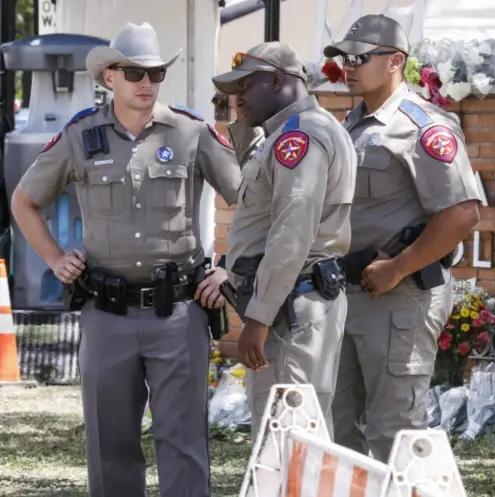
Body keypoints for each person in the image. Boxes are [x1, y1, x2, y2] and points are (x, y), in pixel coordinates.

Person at [10, 22, 241, 497]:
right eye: (134, 72)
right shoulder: (80, 135)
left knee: (183, 446)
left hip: (178, 313)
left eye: (155, 73)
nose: (147, 83)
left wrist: (229, 267)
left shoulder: (190, 131)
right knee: (109, 449)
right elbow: (23, 202)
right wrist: (54, 257)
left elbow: (248, 200)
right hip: (107, 314)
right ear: (109, 77)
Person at [323, 14, 482, 461]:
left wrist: (396, 268)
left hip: (399, 299)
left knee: (394, 434)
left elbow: (461, 214)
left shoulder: (423, 126)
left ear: (395, 61)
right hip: (347, 294)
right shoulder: (349, 124)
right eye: (342, 57)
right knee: (337, 433)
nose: (348, 66)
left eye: (360, 57)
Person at [210, 41, 358, 440]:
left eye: (245, 86)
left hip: (290, 308)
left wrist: (257, 318)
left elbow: (292, 231)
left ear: (277, 80)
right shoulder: (292, 133)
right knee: (281, 434)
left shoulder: (301, 139)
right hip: (289, 302)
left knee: (292, 436)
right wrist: (237, 120)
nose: (238, 97)